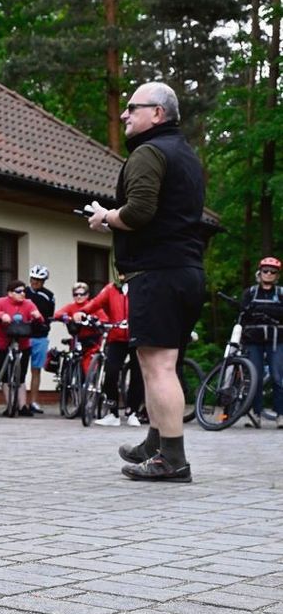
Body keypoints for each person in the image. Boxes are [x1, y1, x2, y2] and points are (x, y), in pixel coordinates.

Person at [86, 82, 206, 482]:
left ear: (157, 113)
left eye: (133, 108)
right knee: (154, 362)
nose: (124, 114)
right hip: (185, 271)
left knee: (159, 366)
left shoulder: (149, 153)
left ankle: (172, 457)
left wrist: (105, 217)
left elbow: (138, 212)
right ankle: (156, 442)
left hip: (159, 274)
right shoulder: (185, 155)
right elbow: (164, 216)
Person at [81, 274, 144, 426]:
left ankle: (133, 412)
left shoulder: (140, 287)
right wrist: (82, 312)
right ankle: (113, 412)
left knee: (138, 374)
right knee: (111, 372)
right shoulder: (110, 289)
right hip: (116, 337)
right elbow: (95, 303)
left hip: (136, 335)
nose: (122, 275)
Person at [0, 279, 44, 416]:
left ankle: (22, 406)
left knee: (22, 375)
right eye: (19, 291)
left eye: (24, 291)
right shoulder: (1, 302)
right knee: (5, 376)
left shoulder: (28, 304)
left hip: (23, 342)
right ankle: (10, 405)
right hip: (1, 342)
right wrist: (2, 315)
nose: (22, 293)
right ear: (10, 293)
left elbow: (39, 317)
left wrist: (37, 316)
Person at [241, 257, 283, 428]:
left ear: (277, 275)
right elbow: (243, 314)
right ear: (260, 272)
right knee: (255, 377)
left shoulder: (280, 293)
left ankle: (281, 414)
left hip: (277, 340)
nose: (269, 274)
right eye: (266, 270)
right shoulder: (250, 292)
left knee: (278, 377)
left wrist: (261, 310)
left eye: (272, 272)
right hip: (253, 340)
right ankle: (255, 414)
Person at [54, 282, 107, 375]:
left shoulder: (92, 306)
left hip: (92, 339)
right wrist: (67, 317)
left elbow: (104, 319)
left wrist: (94, 320)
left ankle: (88, 382)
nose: (79, 296)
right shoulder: (71, 307)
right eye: (76, 294)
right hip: (77, 338)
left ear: (87, 295)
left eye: (82, 294)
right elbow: (57, 314)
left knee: (89, 363)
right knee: (70, 358)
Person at [25, 265, 55, 413]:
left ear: (43, 281)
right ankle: (21, 402)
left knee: (36, 370)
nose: (35, 282)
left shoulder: (49, 295)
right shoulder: (23, 292)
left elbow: (50, 315)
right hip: (24, 335)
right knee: (20, 369)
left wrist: (45, 325)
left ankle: (33, 401)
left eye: (38, 280)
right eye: (33, 279)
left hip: (40, 337)